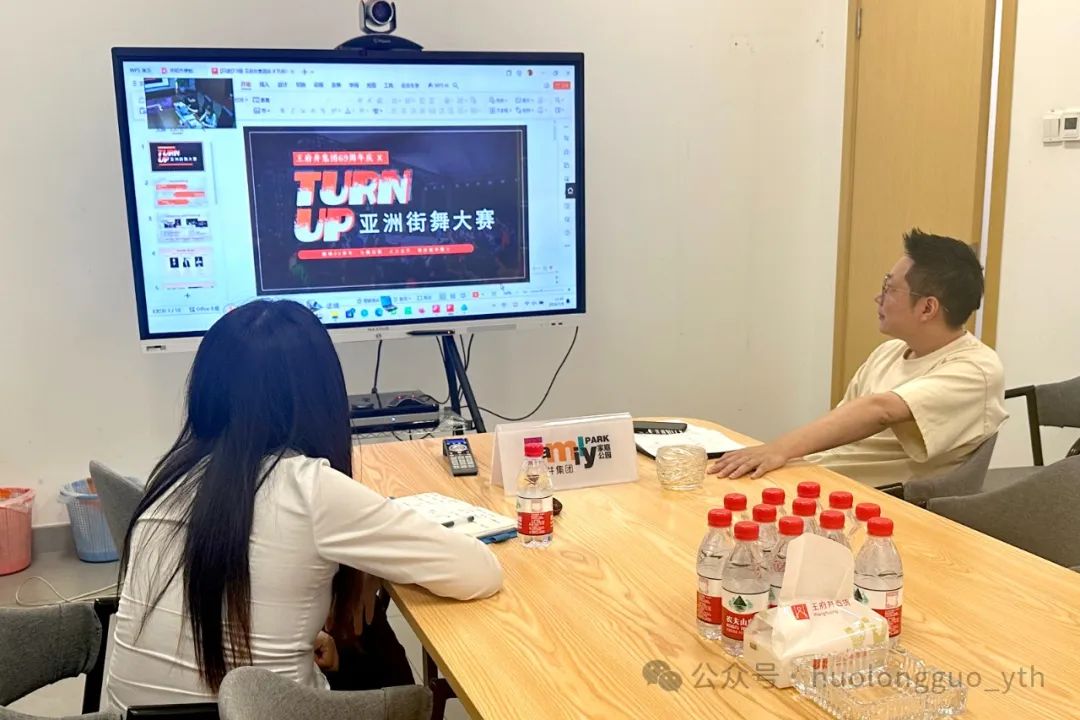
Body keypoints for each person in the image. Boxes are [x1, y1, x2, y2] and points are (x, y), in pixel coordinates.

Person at [105, 299, 502, 712]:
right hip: (258, 711)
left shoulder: (171, 477)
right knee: (371, 641)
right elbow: (478, 571)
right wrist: (375, 564)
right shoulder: (311, 489)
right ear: (318, 397)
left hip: (132, 714)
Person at [709, 229, 1006, 487]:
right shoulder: (888, 352)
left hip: (873, 501)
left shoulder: (977, 369)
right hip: (818, 474)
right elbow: (843, 425)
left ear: (927, 308)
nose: (879, 298)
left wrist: (778, 449)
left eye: (889, 289)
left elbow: (880, 410)